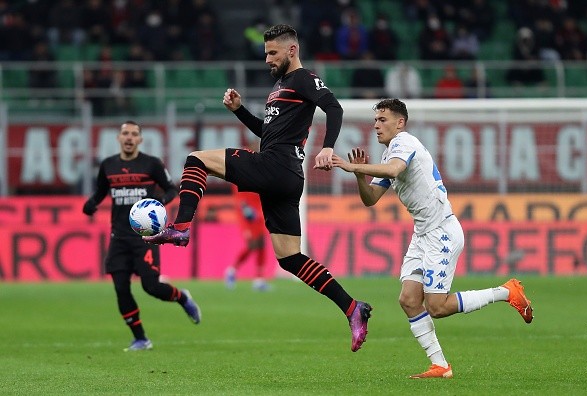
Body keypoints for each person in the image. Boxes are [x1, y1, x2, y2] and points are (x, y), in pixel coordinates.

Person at [143, 24, 372, 352]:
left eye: (272, 53)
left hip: (276, 167)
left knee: (196, 159)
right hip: (285, 177)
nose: (267, 59)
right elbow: (268, 133)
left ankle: (180, 228)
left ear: (291, 51)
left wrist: (327, 147)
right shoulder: (280, 87)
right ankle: (352, 308)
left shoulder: (304, 78)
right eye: (265, 53)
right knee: (290, 258)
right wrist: (239, 112)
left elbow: (334, 107)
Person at [331, 98, 534, 377]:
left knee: (437, 307)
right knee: (408, 299)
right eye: (375, 120)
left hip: (442, 232)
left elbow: (393, 171)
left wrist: (352, 167)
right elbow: (371, 199)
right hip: (423, 234)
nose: (376, 125)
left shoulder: (404, 143)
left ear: (399, 123)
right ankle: (440, 365)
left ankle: (506, 292)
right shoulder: (389, 152)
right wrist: (358, 177)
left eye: (382, 120)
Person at [82, 120, 201, 352]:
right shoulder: (108, 165)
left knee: (152, 287)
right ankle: (140, 338)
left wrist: (156, 204)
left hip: (145, 237)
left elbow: (171, 189)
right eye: (125, 133)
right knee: (120, 288)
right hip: (118, 237)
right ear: (118, 138)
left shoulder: (151, 164)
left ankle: (182, 298)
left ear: (140, 139)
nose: (129, 137)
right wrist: (91, 203)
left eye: (133, 134)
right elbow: (101, 191)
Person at [225, 183, 269, 291]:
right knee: (252, 245)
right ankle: (232, 271)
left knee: (262, 244)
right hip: (247, 214)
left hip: (259, 211)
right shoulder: (240, 172)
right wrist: (245, 208)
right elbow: (239, 195)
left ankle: (259, 280)